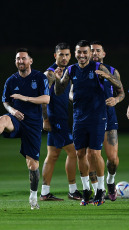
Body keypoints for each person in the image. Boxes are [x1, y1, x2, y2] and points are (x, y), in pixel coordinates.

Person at [54, 40, 122, 206]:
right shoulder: (71, 69)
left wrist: (108, 77)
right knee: (80, 154)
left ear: (90, 54)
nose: (82, 55)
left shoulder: (99, 68)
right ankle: (86, 190)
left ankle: (100, 189)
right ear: (75, 53)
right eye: (79, 52)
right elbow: (59, 91)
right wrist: (57, 79)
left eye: (85, 52)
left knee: (95, 154)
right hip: (78, 118)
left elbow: (119, 85)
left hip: (98, 117)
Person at [0, 48, 50, 210]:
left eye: (23, 58)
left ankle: (33, 197)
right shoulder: (11, 80)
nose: (20, 61)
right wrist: (13, 110)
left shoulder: (39, 77)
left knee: (32, 165)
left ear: (30, 61)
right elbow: (6, 102)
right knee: (4, 118)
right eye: (17, 59)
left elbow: (46, 99)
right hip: (16, 118)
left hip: (33, 124)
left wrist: (25, 98)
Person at [40, 43, 82, 201]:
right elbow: (43, 99)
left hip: (62, 117)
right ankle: (72, 190)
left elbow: (66, 94)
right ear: (55, 56)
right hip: (55, 119)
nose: (64, 58)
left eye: (66, 55)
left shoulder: (68, 72)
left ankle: (44, 193)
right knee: (74, 152)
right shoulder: (50, 74)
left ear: (70, 56)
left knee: (52, 156)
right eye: (61, 55)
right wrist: (45, 119)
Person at [88, 41, 124, 201]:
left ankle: (110, 180)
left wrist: (116, 100)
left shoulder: (112, 71)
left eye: (98, 51)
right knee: (91, 155)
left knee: (113, 159)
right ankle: (98, 190)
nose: (94, 53)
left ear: (103, 54)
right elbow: (72, 93)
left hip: (108, 116)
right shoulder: (81, 70)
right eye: (92, 51)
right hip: (89, 117)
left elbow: (121, 92)